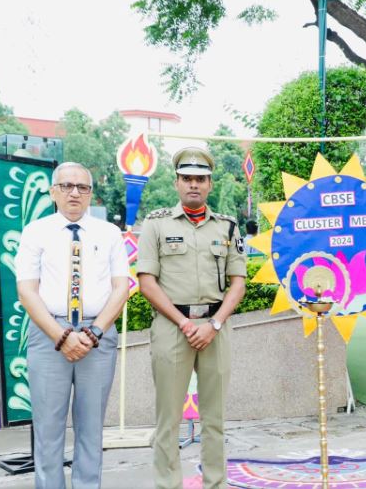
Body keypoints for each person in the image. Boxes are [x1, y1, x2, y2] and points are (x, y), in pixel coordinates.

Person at [137, 146, 247, 489]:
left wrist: (213, 325)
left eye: (200, 179)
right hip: (173, 327)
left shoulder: (227, 227)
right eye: (187, 179)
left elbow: (238, 284)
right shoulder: (156, 225)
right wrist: (185, 323)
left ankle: (215, 484)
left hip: (216, 327)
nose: (194, 185)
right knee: (167, 420)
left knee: (214, 420)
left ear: (210, 184)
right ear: (177, 183)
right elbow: (146, 282)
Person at [15, 162, 129, 489]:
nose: (74, 192)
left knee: (91, 428)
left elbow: (122, 287)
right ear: (53, 191)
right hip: (49, 337)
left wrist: (93, 333)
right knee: (48, 430)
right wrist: (62, 335)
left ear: (91, 193)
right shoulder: (35, 231)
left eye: (82, 187)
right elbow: (26, 290)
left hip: (98, 335)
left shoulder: (109, 233)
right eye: (66, 186)